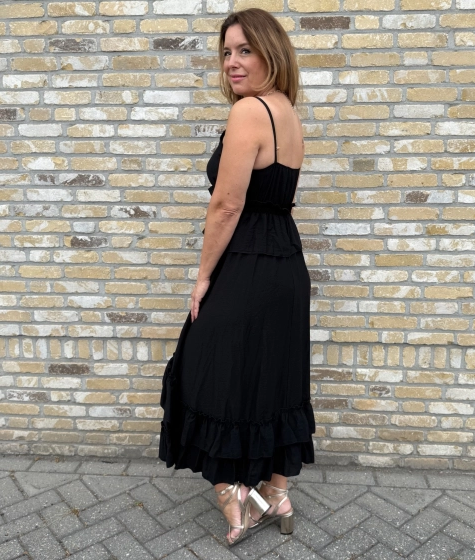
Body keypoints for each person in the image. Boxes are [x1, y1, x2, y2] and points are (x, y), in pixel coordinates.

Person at [158, 7, 316, 546]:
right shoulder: (287, 112)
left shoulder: (249, 111)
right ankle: (277, 493)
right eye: (226, 52)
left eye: (245, 50)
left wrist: (203, 277)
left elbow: (227, 205)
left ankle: (233, 499)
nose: (232, 62)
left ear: (272, 52)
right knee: (273, 377)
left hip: (247, 262)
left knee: (209, 371)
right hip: (286, 264)